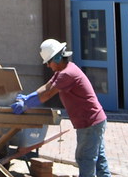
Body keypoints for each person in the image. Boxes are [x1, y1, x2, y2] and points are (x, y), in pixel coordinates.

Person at [12, 38, 111, 177]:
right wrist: (28, 97)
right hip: (94, 121)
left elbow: (48, 94)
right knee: (99, 160)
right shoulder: (64, 70)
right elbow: (46, 87)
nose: (47, 65)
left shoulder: (66, 74)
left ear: (57, 58)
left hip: (89, 123)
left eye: (48, 62)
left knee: (85, 159)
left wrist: (27, 105)